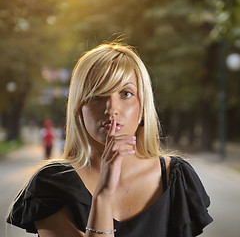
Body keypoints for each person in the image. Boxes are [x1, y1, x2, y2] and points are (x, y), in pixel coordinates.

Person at [7, 42, 212, 237]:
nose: (111, 109)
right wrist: (103, 195)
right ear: (79, 107)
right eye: (97, 95)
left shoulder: (176, 178)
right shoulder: (51, 184)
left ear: (143, 108)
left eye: (126, 93)